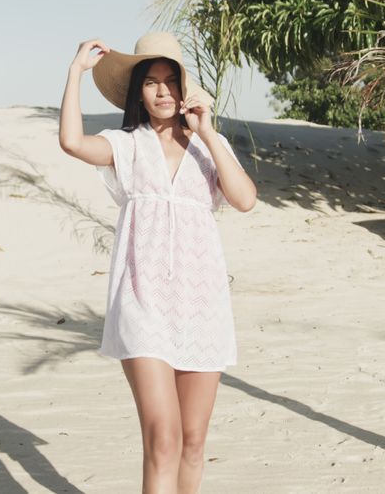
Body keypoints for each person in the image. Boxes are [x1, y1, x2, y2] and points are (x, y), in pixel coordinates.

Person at [58, 32, 256, 493]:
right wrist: (75, 75)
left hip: (203, 307)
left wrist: (207, 129)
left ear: (184, 88)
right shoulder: (125, 145)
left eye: (171, 81)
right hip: (143, 305)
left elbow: (245, 199)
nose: (162, 90)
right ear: (138, 92)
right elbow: (70, 141)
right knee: (162, 439)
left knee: (192, 441)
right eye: (151, 82)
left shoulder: (210, 146)